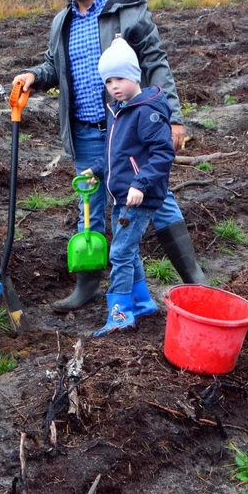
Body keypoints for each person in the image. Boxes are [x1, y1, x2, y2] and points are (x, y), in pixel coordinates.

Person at [12, 0, 205, 313]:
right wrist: (34, 75)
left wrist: (175, 117)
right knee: (92, 206)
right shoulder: (62, 22)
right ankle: (92, 286)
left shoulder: (128, 14)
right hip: (86, 131)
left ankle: (195, 281)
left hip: (129, 127)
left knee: (157, 198)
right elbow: (56, 69)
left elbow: (156, 64)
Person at [79, 37, 175, 335]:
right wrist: (96, 169)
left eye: (119, 78)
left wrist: (140, 184)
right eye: (108, 81)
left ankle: (120, 316)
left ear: (134, 75)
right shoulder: (119, 110)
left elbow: (163, 153)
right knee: (128, 250)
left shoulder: (147, 111)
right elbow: (116, 152)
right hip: (122, 196)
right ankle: (143, 302)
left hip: (138, 196)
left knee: (119, 253)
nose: (114, 86)